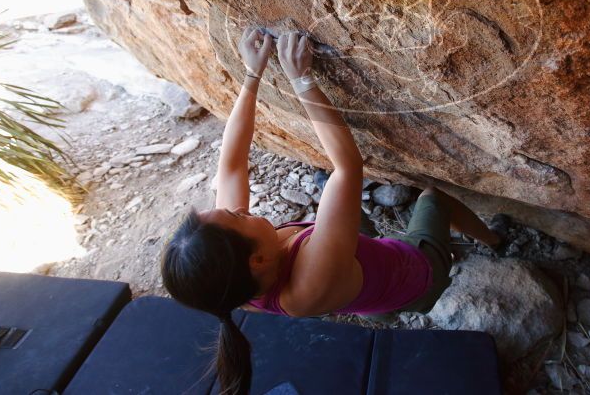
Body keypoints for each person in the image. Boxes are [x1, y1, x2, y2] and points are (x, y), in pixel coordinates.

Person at [160, 27, 505, 394]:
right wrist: (301, 78)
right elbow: (348, 167)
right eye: (239, 217)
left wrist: (252, 74)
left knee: (342, 219)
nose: (237, 209)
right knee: (433, 198)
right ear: (257, 261)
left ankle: (379, 293)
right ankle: (495, 239)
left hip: (361, 279)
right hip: (415, 275)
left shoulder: (235, 284)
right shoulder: (309, 282)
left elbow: (231, 166)